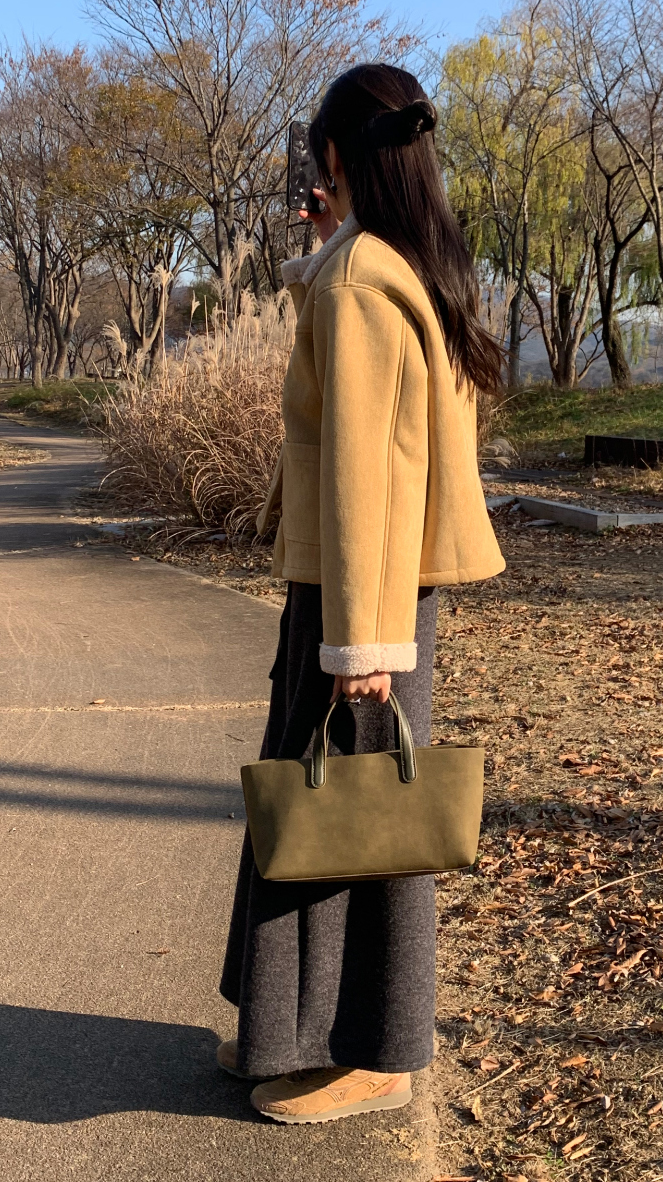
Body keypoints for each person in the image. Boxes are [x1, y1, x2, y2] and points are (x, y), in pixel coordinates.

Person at [218, 63, 506, 1124]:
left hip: (365, 590)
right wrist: (327, 244)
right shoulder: (402, 261)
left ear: (335, 156)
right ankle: (289, 1034)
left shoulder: (358, 280)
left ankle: (380, 1055)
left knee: (368, 816)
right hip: (372, 584)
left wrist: (363, 642)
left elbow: (365, 474)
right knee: (327, 804)